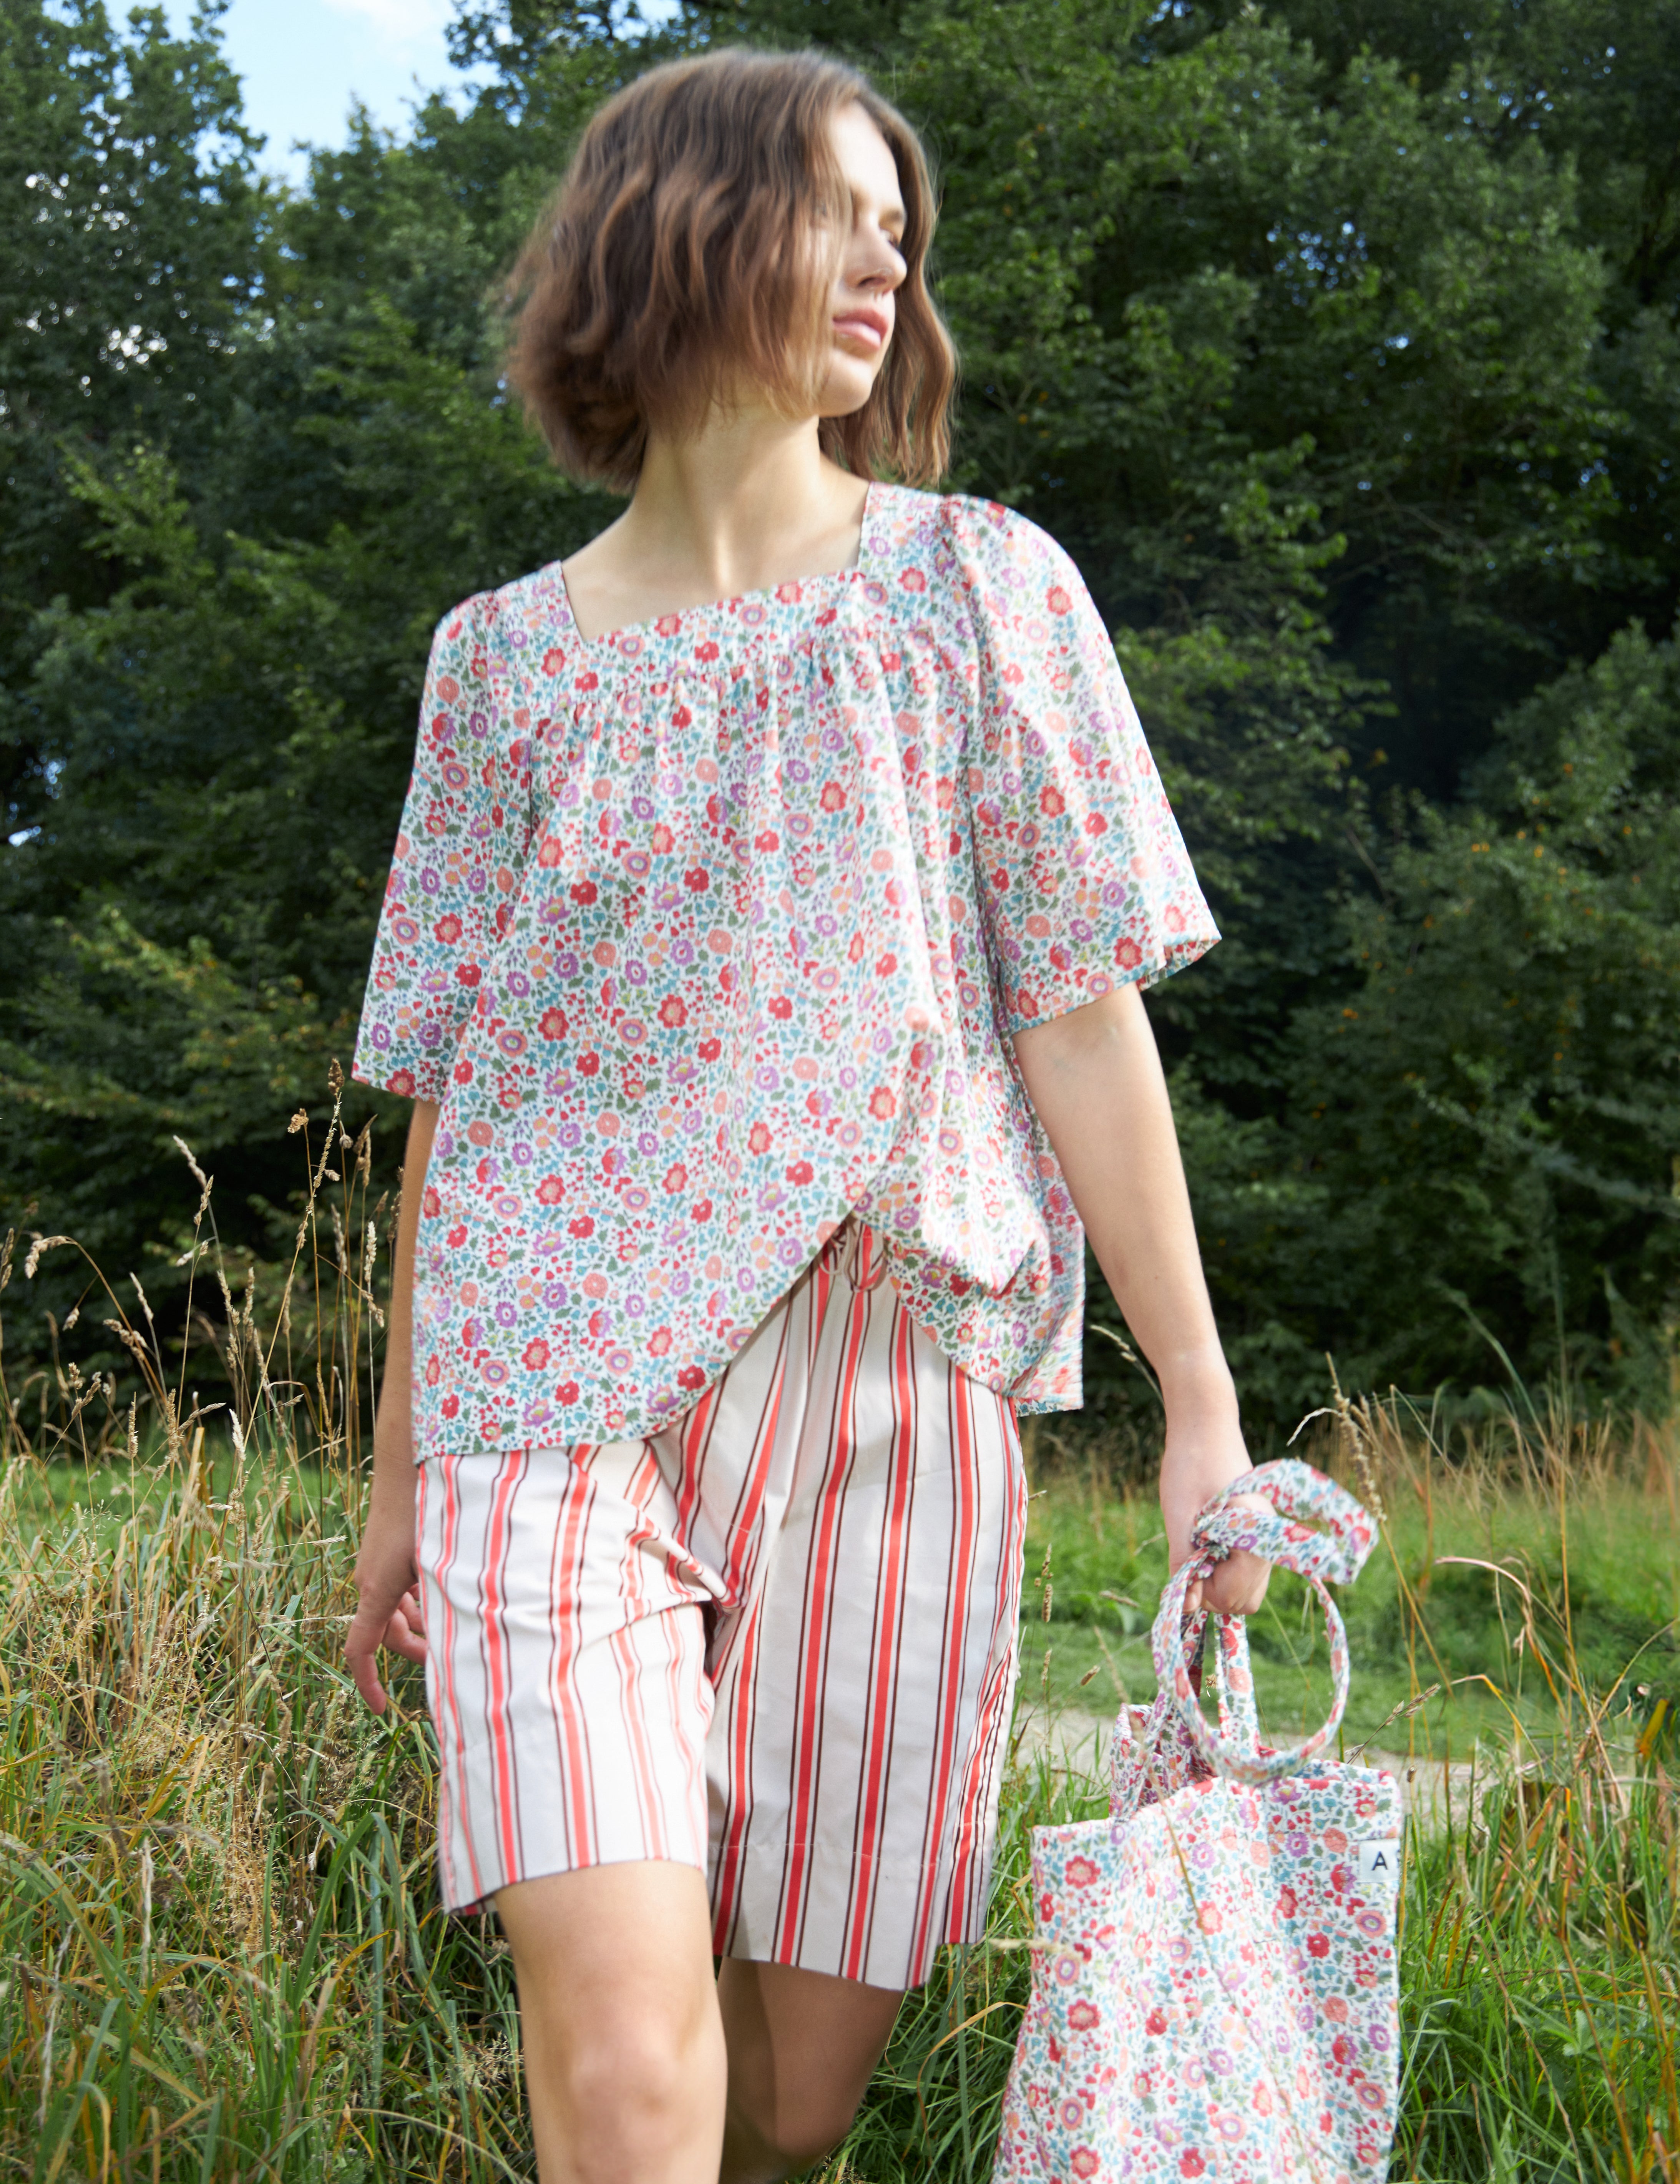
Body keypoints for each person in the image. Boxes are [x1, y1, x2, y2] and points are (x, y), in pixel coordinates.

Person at [344, 44, 1270, 2184]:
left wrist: (1197, 1394)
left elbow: (1075, 1004)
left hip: (893, 1376)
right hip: (547, 1395)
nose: (887, 257)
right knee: (631, 2069)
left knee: (790, 2102)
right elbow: (445, 1093)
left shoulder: (979, 586)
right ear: (681, 230)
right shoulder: (494, 663)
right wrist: (400, 1462)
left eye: (900, 227)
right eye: (836, 208)